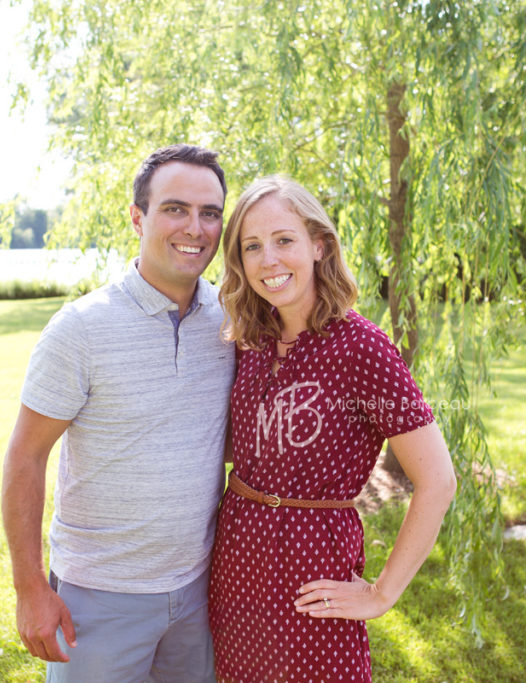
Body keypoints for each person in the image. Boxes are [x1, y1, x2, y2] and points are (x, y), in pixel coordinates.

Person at [209, 175, 457, 682]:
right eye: (252, 247)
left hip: (314, 580)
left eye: (284, 240)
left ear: (319, 245)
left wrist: (383, 592)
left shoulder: (361, 347)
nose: (268, 260)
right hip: (234, 571)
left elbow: (438, 481)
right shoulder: (249, 340)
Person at [2, 144, 234, 682]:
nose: (195, 228)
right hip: (97, 600)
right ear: (137, 217)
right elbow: (25, 456)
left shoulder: (231, 319)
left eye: (210, 213)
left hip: (200, 592)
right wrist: (30, 588)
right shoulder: (79, 329)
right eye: (175, 208)